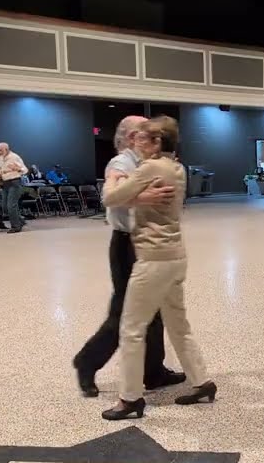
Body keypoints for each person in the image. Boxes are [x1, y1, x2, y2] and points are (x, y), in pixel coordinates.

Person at [99, 116, 216, 420]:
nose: (136, 142)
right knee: (179, 324)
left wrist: (113, 177)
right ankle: (202, 382)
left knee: (131, 328)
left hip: (153, 259)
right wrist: (140, 196)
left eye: (143, 138)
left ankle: (129, 398)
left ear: (157, 142)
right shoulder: (177, 168)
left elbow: (110, 198)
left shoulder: (150, 168)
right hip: (175, 257)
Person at [74, 116, 185, 398]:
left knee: (155, 309)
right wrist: (143, 197)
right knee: (124, 311)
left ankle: (154, 371)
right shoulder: (121, 162)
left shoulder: (151, 162)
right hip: (126, 244)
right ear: (133, 137)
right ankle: (87, 361)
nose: (154, 136)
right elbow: (111, 196)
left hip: (148, 242)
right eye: (147, 132)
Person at [0, 142, 27, 233]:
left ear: (7, 149)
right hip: (5, 183)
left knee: (11, 205)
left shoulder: (14, 157)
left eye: (1, 150)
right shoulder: (1, 158)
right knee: (4, 206)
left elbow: (25, 170)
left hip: (14, 182)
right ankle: (20, 221)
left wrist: (17, 169)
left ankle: (16, 226)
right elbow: (2, 170)